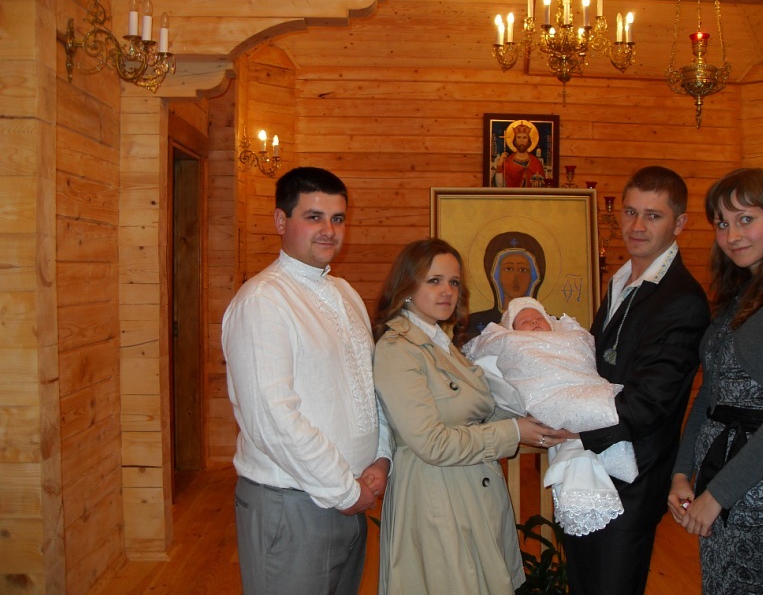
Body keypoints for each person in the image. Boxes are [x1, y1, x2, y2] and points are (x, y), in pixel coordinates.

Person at [535, 166, 711, 595]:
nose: (636, 226)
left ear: (679, 224)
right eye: (630, 212)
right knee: (583, 583)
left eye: (653, 215)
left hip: (632, 480)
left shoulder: (682, 299)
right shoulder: (621, 278)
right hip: (590, 467)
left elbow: (649, 403)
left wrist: (573, 430)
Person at [222, 166, 392, 595]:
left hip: (352, 496)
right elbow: (273, 419)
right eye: (313, 217)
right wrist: (344, 490)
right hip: (291, 502)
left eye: (337, 218)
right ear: (281, 221)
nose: (328, 231)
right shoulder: (264, 300)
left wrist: (381, 458)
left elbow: (371, 388)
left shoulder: (345, 294)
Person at [372, 238, 546, 595]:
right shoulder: (397, 349)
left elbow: (478, 410)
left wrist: (540, 412)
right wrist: (514, 432)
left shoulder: (441, 341)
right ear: (407, 286)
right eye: (434, 281)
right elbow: (431, 443)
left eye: (453, 282)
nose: (447, 291)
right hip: (436, 494)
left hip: (470, 490)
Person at [668, 168, 763, 594]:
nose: (732, 235)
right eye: (722, 223)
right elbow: (710, 397)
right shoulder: (741, 295)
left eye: (746, 219)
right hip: (717, 477)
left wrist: (719, 494)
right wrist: (682, 473)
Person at [463, 297, 638, 537]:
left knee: (602, 406)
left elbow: (583, 353)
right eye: (525, 321)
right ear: (512, 329)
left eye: (539, 318)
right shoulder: (510, 340)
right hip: (547, 391)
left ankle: (589, 470)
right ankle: (582, 493)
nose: (534, 322)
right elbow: (483, 348)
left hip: (584, 383)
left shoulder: (570, 336)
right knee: (585, 416)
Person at [467, 230, 546, 338]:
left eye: (523, 270)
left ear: (534, 277)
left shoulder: (552, 324)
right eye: (508, 269)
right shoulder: (473, 323)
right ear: (495, 275)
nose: (515, 277)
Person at [493, 120, 546, 188]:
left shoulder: (536, 163)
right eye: (519, 137)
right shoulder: (508, 162)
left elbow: (542, 186)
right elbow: (500, 186)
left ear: (529, 141)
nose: (521, 140)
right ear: (515, 140)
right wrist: (499, 165)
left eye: (524, 137)